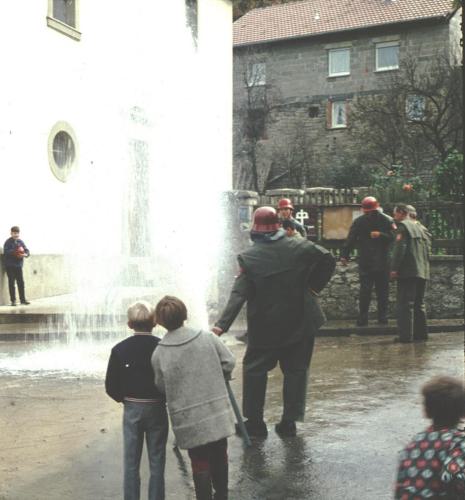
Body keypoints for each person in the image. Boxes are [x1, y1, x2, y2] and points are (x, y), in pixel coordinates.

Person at [212, 206, 335, 438]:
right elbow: (328, 259)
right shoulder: (299, 245)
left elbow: (239, 294)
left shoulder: (250, 258)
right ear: (279, 226)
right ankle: (289, 423)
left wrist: (221, 326)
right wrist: (313, 287)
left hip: (267, 327)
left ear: (255, 231)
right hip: (302, 322)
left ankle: (256, 425)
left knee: (255, 370)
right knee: (296, 371)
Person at [152, 296, 235, 500]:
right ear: (185, 314)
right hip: (215, 409)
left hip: (188, 417)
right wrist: (216, 376)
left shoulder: (160, 352)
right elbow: (229, 362)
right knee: (219, 453)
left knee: (199, 460)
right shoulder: (207, 337)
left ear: (160, 322)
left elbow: (161, 386)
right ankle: (222, 494)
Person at [105, 301, 168, 500]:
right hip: (157, 406)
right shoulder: (162, 347)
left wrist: (124, 399)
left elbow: (110, 385)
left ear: (129, 324)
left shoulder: (119, 349)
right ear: (154, 323)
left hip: (132, 407)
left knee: (131, 461)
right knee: (157, 460)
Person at [394, 375, 465, 499]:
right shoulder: (458, 444)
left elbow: (399, 489)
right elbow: (459, 484)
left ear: (427, 410)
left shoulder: (414, 444)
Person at [340, 196, 396, 326]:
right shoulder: (360, 222)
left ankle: (381, 317)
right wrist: (344, 255)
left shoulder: (387, 220)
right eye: (367, 211)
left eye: (370, 211)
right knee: (367, 292)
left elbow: (394, 237)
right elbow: (351, 239)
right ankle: (365, 318)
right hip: (369, 262)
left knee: (381, 291)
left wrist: (381, 235)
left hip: (380, 261)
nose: (368, 213)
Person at [390, 203, 431, 343]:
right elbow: (428, 250)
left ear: (402, 213)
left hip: (408, 271)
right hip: (423, 271)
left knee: (404, 304)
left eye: (395, 214)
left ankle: (405, 336)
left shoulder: (404, 227)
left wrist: (394, 269)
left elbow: (399, 249)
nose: (394, 217)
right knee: (419, 304)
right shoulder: (422, 228)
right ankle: (421, 334)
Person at [3, 226, 30, 306]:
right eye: (14, 233)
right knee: (11, 283)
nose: (16, 235)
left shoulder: (21, 242)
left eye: (17, 233)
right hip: (10, 266)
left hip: (18, 266)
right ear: (11, 233)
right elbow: (6, 252)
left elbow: (27, 250)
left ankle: (23, 300)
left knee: (21, 283)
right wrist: (17, 252)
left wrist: (26, 254)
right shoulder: (7, 242)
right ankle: (13, 301)